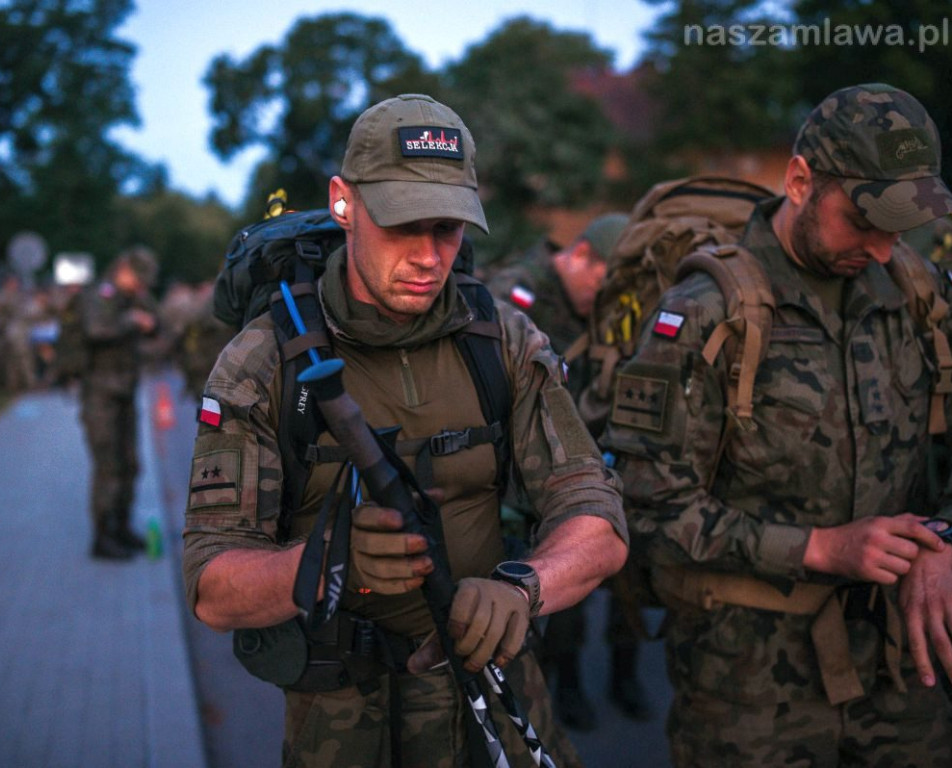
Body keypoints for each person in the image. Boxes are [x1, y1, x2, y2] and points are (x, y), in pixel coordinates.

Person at [181, 93, 629, 767]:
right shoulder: (262, 361)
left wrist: (524, 585)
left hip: (495, 695)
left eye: (448, 229)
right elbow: (212, 586)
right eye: (402, 224)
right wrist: (328, 567)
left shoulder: (502, 340)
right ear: (344, 203)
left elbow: (597, 514)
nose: (428, 257)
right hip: (341, 721)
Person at [602, 82, 952, 766]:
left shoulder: (919, 295)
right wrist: (817, 548)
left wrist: (943, 538)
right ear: (800, 181)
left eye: (900, 227)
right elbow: (644, 511)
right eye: (865, 221)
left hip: (902, 669)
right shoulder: (704, 315)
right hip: (748, 689)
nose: (883, 250)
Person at [488, 213, 653, 729]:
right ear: (580, 255)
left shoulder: (614, 303)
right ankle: (569, 686)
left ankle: (625, 674)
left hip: (606, 456)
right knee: (563, 586)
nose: (602, 299)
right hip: (538, 471)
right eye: (600, 283)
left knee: (630, 570)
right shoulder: (518, 294)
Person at [80, 247, 160, 560]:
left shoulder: (131, 297)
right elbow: (96, 330)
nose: (141, 286)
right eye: (138, 280)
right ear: (123, 268)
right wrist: (131, 320)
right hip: (100, 394)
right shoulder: (101, 293)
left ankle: (122, 528)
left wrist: (144, 315)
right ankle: (103, 537)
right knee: (109, 467)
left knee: (130, 464)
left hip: (125, 392)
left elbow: (158, 324)